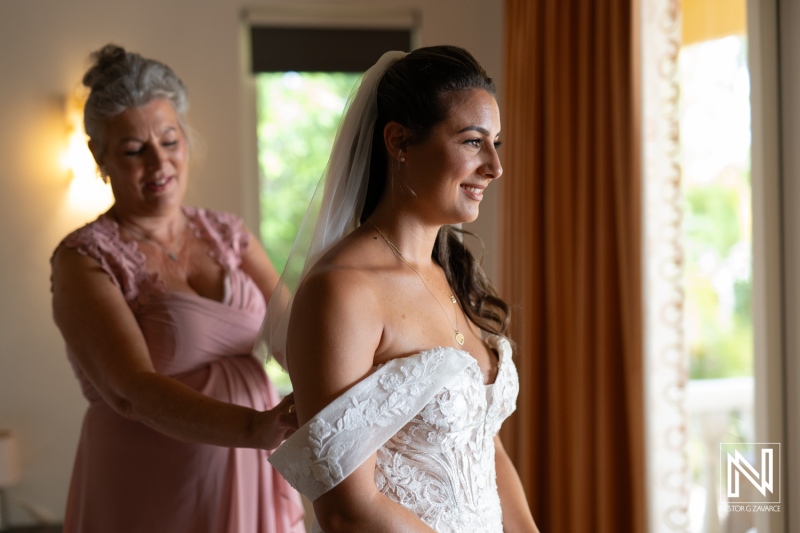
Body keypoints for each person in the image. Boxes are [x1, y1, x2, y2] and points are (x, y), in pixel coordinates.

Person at [259, 46, 539, 532]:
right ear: (400, 141)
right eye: (474, 142)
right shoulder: (342, 293)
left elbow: (485, 444)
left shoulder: (453, 273)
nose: (494, 166)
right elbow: (347, 509)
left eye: (496, 143)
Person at [50, 45, 304, 533]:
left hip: (250, 467)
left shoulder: (228, 234)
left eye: (169, 140)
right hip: (151, 484)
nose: (158, 162)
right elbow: (132, 392)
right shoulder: (84, 259)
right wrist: (254, 427)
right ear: (99, 155)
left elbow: (291, 333)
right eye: (133, 150)